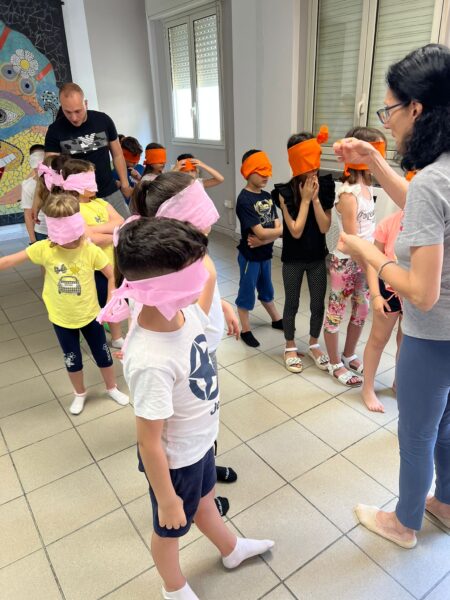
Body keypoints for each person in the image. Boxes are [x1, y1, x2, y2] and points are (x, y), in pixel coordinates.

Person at [100, 217, 273, 600]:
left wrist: (222, 304)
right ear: (163, 288)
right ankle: (174, 588)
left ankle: (231, 549)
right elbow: (149, 443)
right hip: (175, 461)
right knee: (169, 530)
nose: (204, 277)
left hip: (200, 442)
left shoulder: (183, 310)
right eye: (192, 273)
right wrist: (166, 499)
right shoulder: (150, 360)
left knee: (207, 501)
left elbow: (199, 303)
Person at [335, 44, 450, 548]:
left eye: (390, 110)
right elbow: (427, 209)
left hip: (434, 336)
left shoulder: (433, 181)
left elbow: (422, 293)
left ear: (416, 110)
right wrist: (377, 161)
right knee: (447, 427)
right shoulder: (442, 174)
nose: (389, 120)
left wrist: (369, 253)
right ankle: (445, 502)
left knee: (417, 434)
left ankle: (404, 524)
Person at [130, 172, 240, 515]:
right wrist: (210, 283)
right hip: (191, 357)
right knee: (190, 422)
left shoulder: (186, 254)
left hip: (202, 348)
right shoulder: (176, 264)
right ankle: (198, 493)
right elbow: (188, 319)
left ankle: (206, 469)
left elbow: (196, 303)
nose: (210, 222)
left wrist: (222, 303)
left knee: (205, 418)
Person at [0, 193, 128, 415]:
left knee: (103, 355)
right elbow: (10, 260)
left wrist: (110, 301)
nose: (68, 242)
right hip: (61, 318)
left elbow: (111, 275)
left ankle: (111, 388)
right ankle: (79, 393)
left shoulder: (89, 249)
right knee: (72, 359)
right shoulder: (44, 249)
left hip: (91, 315)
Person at [323, 126, 387, 387]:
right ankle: (334, 362)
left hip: (365, 261)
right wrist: (374, 267)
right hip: (346, 263)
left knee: (361, 309)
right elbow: (352, 239)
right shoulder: (348, 194)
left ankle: (348, 354)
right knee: (336, 312)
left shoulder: (367, 186)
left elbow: (368, 232)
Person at [272, 127, 334, 373]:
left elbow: (324, 226)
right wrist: (305, 199)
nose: (314, 168)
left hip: (317, 257)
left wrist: (316, 198)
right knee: (292, 303)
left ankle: (314, 344)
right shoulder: (284, 192)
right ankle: (289, 345)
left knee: (318, 304)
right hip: (293, 259)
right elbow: (295, 230)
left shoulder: (326, 186)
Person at [56, 158, 126, 349]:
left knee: (113, 299)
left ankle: (117, 336)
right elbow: (91, 240)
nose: (94, 184)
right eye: (89, 180)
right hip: (89, 267)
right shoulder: (71, 209)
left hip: (110, 262)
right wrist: (113, 233)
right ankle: (90, 336)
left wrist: (94, 229)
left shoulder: (101, 203)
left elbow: (121, 222)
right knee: (92, 301)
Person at [43, 82, 131, 218]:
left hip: (109, 191)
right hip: (77, 199)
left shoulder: (103, 120)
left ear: (86, 104)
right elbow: (50, 168)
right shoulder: (55, 130)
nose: (74, 118)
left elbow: (117, 154)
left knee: (127, 226)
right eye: (68, 112)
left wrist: (125, 183)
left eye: (78, 111)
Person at [235, 149, 283, 347]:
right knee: (247, 293)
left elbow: (277, 228)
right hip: (250, 256)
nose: (266, 176)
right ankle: (245, 329)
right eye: (260, 172)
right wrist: (274, 234)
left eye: (267, 171)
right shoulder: (244, 200)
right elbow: (262, 232)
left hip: (265, 253)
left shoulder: (267, 196)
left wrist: (264, 240)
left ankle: (276, 319)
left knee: (267, 288)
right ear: (248, 171)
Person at [361, 208, 404, 412]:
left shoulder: (432, 222)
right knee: (378, 339)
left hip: (413, 294)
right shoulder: (389, 223)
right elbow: (372, 262)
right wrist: (376, 295)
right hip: (388, 290)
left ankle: (399, 383)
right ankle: (367, 388)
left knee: (405, 342)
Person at [21, 144, 46, 244]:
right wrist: (33, 240)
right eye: (35, 160)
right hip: (40, 232)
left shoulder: (58, 181)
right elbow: (28, 214)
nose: (38, 166)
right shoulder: (27, 185)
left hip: (62, 231)